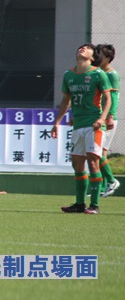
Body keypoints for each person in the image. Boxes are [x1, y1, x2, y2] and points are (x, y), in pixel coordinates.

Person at [52, 44, 112, 214]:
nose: (82, 49)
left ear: (93, 57)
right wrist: (57, 122)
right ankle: (80, 204)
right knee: (77, 164)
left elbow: (108, 99)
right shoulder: (69, 75)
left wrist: (102, 119)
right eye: (81, 47)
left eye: (87, 48)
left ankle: (94, 205)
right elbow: (66, 101)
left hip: (93, 125)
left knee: (93, 161)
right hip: (78, 125)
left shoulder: (98, 73)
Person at [96, 44, 121, 197]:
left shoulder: (112, 74)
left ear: (108, 58)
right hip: (101, 117)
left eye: (100, 54)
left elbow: (113, 97)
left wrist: (109, 116)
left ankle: (111, 181)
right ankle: (102, 188)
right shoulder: (99, 73)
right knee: (99, 154)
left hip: (108, 118)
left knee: (99, 154)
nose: (97, 57)